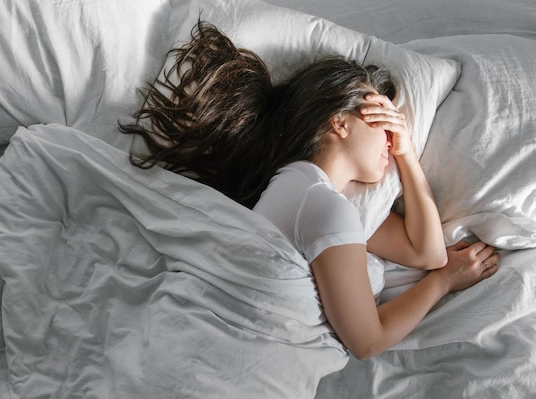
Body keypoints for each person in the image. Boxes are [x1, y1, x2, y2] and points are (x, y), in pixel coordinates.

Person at [120, 20, 500, 359]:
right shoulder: (322, 206)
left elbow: (427, 251)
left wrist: (406, 153)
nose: (389, 140)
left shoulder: (310, 192)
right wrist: (442, 283)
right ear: (339, 123)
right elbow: (367, 342)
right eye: (382, 124)